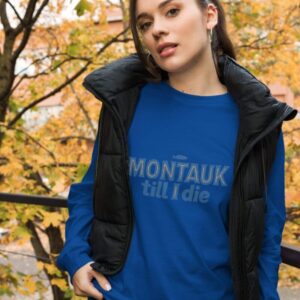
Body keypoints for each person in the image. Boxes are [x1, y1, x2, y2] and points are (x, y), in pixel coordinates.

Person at [56, 0, 298, 299]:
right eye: (145, 24)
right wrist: (76, 257)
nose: (157, 29)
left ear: (209, 15)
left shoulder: (259, 124)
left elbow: (266, 237)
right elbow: (90, 191)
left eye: (172, 11)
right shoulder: (125, 105)